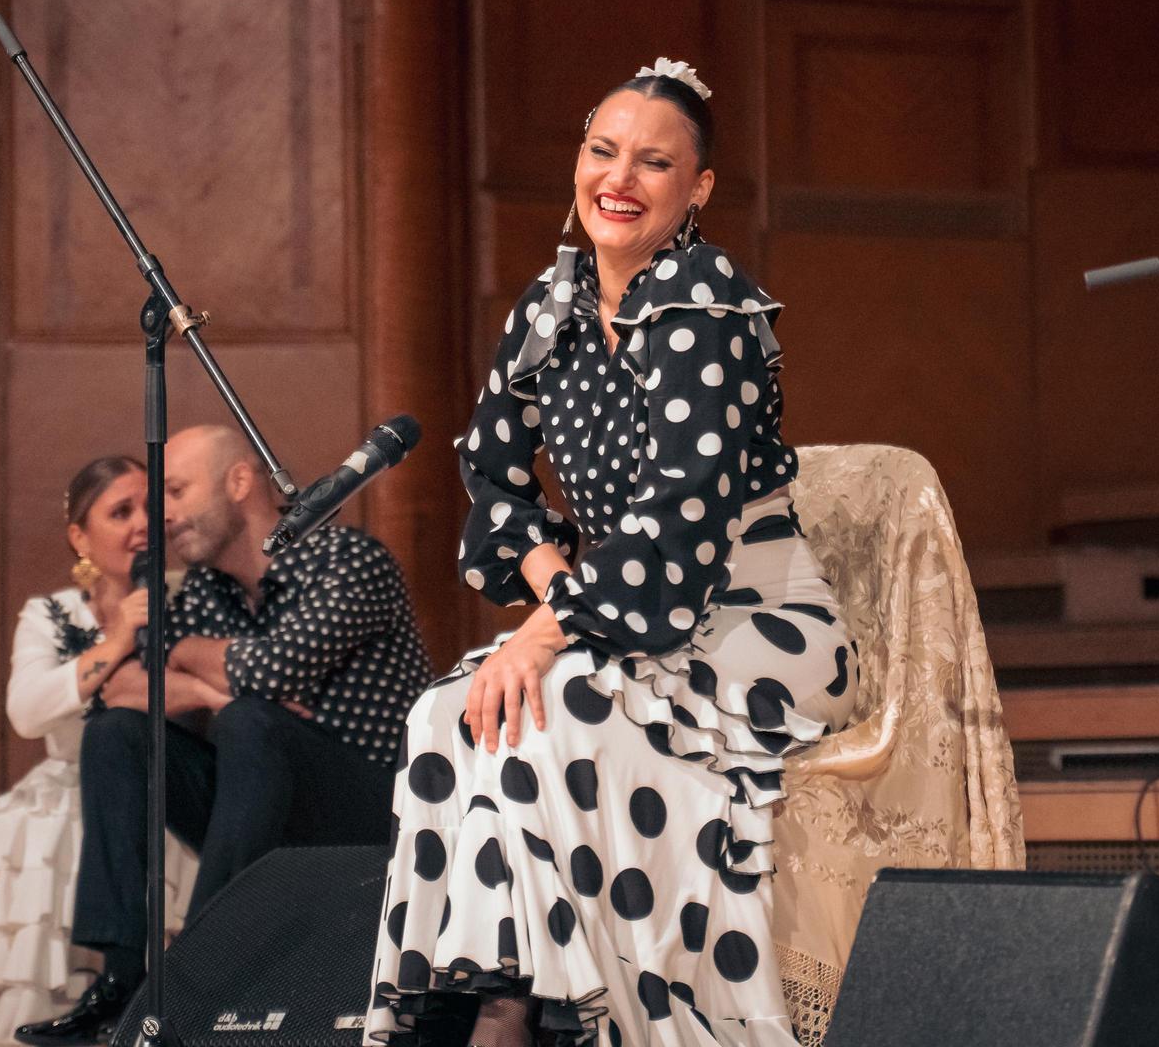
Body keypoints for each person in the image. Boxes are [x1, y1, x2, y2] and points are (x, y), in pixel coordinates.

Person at [368, 58, 858, 1047]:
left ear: (697, 189)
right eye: (602, 151)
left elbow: (675, 527)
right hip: (617, 610)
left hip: (755, 620)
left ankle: (532, 1020)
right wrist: (550, 594)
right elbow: (495, 481)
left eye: (654, 161)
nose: (619, 178)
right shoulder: (548, 307)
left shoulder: (707, 305)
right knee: (443, 716)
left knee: (554, 708)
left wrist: (544, 636)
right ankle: (486, 1002)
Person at [17, 424, 435, 1046]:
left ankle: (194, 972)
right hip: (261, 799)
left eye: (176, 493)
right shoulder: (205, 593)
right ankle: (122, 984)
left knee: (249, 722)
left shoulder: (349, 560)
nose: (163, 518)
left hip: (377, 812)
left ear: (239, 482)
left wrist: (191, 663)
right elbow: (123, 687)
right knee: (117, 735)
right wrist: (213, 684)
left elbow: (271, 670)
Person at [0, 456, 203, 1042]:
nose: (142, 524)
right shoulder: (51, 612)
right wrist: (116, 641)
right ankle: (92, 1004)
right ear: (80, 537)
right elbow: (27, 712)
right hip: (70, 791)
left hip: (167, 790)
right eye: (120, 512)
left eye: (150, 509)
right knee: (47, 835)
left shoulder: (194, 595)